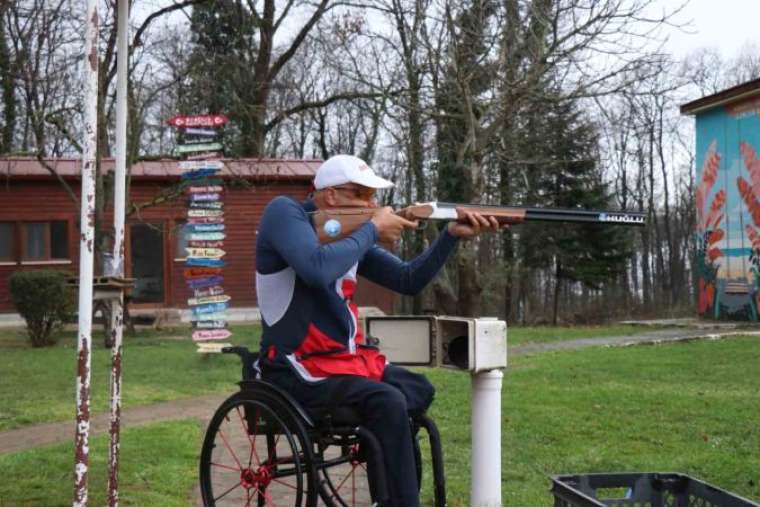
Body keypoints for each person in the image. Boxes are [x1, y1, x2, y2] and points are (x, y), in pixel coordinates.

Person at [254, 154, 500, 506]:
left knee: (417, 389)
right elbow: (315, 269)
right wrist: (371, 229)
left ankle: (389, 488)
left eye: (374, 197)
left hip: (341, 363)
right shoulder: (284, 213)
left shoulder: (350, 235)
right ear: (331, 197)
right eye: (364, 196)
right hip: (294, 365)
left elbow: (408, 280)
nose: (374, 205)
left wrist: (449, 236)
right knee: (387, 401)